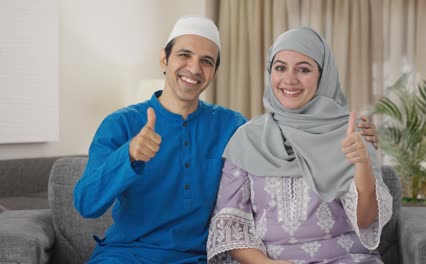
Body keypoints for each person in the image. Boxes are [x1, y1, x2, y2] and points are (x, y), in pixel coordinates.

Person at [74, 16, 380, 263]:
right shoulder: (121, 124)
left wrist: (349, 131)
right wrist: (128, 155)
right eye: (184, 55)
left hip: (194, 257)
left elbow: (283, 133)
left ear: (214, 72)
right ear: (164, 60)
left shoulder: (232, 126)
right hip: (126, 254)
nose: (194, 68)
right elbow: (86, 203)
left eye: (206, 61)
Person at [207, 27, 392, 264]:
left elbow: (366, 221)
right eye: (280, 67)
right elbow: (230, 224)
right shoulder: (247, 139)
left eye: (303, 69)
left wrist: (363, 164)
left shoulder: (351, 134)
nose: (289, 79)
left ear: (323, 76)